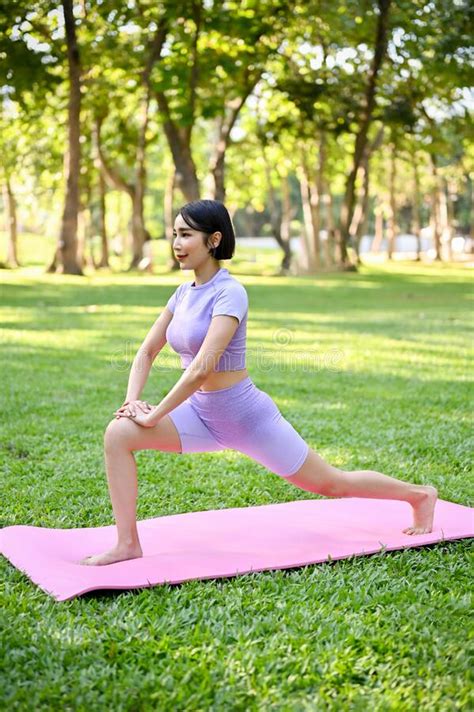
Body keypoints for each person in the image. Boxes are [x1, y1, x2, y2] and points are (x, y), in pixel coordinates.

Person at [81, 200, 438, 566]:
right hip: (201, 417)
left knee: (331, 483)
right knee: (118, 433)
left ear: (213, 240)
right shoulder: (182, 294)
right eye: (174, 234)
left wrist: (156, 414)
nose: (176, 243)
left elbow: (203, 367)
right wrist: (132, 402)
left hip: (246, 418)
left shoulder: (230, 292)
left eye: (186, 234)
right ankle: (127, 543)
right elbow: (145, 351)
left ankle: (419, 496)